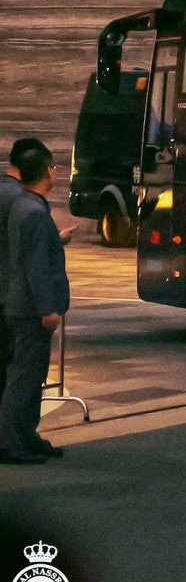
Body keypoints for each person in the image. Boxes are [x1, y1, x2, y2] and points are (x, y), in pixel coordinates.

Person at [1, 138, 69, 463]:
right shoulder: (33, 212)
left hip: (23, 306)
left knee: (31, 375)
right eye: (54, 166)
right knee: (23, 378)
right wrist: (48, 309)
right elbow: (36, 267)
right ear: (45, 171)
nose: (56, 172)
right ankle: (9, 440)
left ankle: (25, 435)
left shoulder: (25, 206)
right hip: (30, 310)